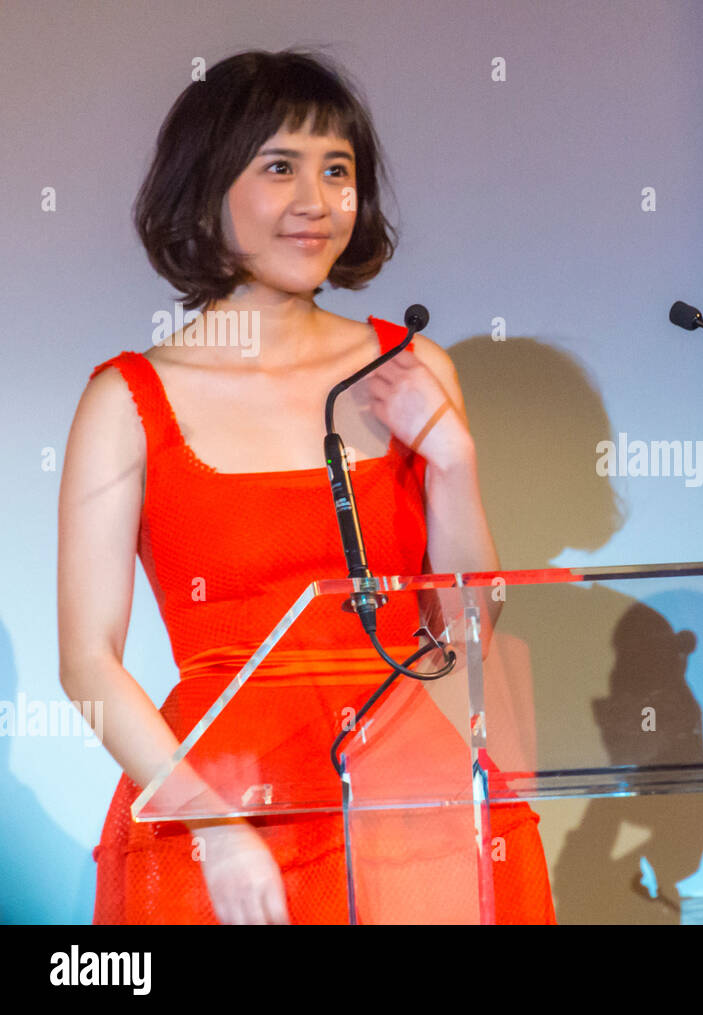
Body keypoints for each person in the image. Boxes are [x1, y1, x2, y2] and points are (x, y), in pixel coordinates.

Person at [57, 49, 555, 924]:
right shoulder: (126, 400)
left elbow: (466, 633)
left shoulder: (411, 366)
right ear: (206, 187)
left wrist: (453, 462)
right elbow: (86, 663)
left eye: (339, 171)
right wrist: (209, 822)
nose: (316, 202)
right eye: (279, 167)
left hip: (413, 799)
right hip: (219, 813)